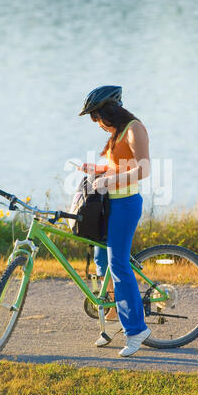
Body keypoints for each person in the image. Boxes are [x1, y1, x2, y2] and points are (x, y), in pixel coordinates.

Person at [78, 85, 151, 357]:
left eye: (96, 117)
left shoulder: (134, 129)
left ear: (108, 111)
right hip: (108, 205)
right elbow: (118, 164)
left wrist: (109, 181)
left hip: (125, 205)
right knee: (100, 260)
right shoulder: (117, 132)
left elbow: (143, 168)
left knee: (118, 264)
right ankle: (112, 321)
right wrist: (96, 170)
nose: (96, 124)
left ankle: (135, 330)